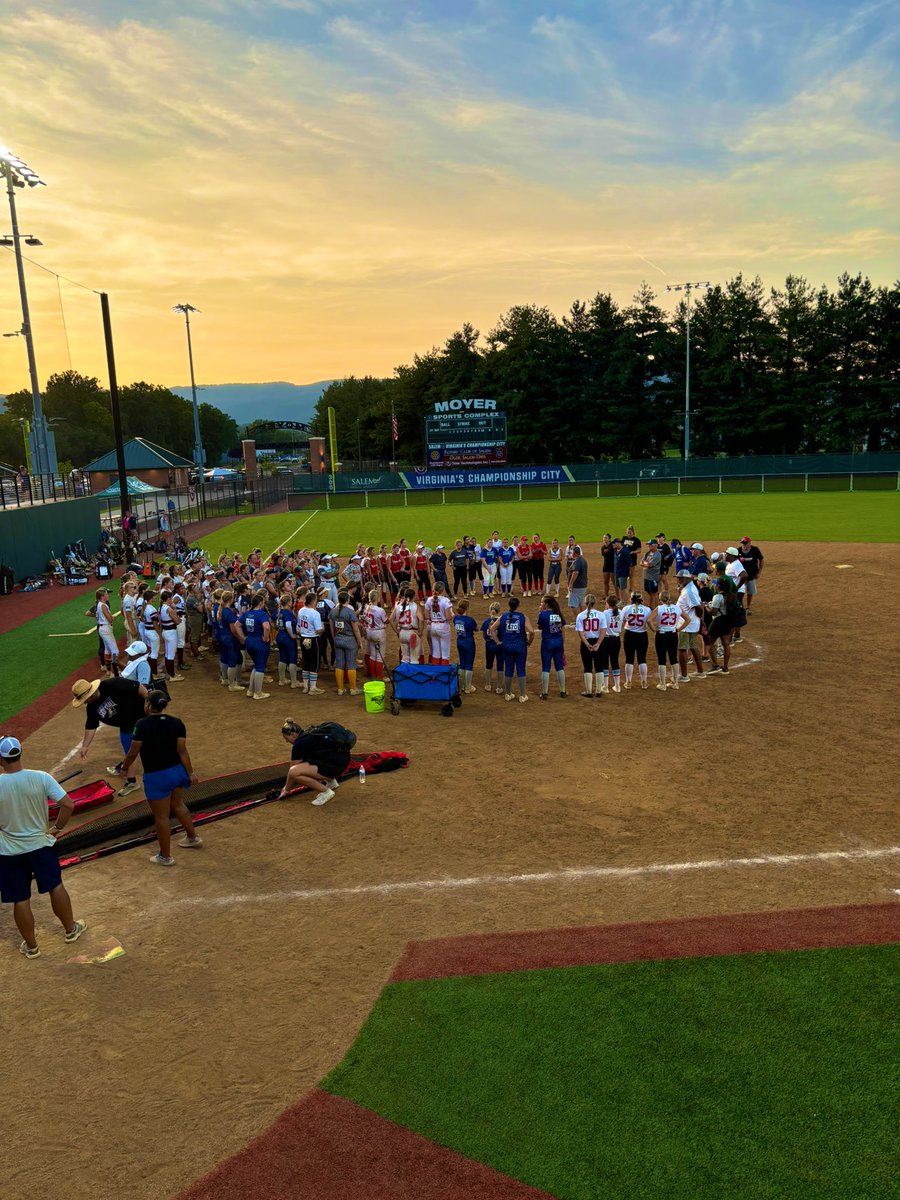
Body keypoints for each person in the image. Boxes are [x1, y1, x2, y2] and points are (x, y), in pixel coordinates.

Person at [0, 736, 87, 959]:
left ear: (1, 759)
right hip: (40, 845)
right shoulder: (41, 777)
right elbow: (68, 804)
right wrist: (56, 828)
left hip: (9, 852)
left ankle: (32, 947)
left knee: (20, 899)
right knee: (55, 886)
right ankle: (70, 930)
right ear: (20, 753)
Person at [121, 690, 201, 867]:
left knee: (162, 817)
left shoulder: (141, 725)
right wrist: (190, 773)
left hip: (157, 777)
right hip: (177, 772)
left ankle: (165, 856)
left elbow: (133, 752)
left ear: (148, 705)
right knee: (178, 804)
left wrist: (125, 767)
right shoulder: (177, 723)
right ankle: (193, 837)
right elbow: (182, 751)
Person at [74, 676, 148, 797]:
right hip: (126, 724)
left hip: (142, 714)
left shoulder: (112, 684)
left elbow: (138, 687)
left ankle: (131, 781)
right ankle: (128, 772)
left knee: (143, 747)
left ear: (90, 695)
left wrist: (149, 705)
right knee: (130, 748)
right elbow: (91, 725)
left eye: (84, 700)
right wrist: (85, 746)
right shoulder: (92, 707)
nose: (85, 703)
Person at [279, 719, 351, 807]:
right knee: (307, 764)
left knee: (295, 772)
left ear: (293, 734)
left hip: (335, 766)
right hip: (343, 761)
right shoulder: (310, 733)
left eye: (286, 738)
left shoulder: (299, 744)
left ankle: (326, 792)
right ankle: (332, 782)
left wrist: (286, 790)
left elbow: (292, 771)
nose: (286, 741)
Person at [489, 595, 533, 703]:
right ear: (518, 605)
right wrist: (529, 642)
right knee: (521, 669)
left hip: (507, 646)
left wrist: (497, 641)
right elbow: (531, 631)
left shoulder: (503, 616)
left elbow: (492, 628)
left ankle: (508, 694)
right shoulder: (523, 616)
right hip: (520, 646)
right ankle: (522, 695)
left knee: (508, 669)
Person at [237, 593, 273, 700]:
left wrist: (243, 638)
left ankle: (250, 690)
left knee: (256, 666)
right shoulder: (262, 614)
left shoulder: (247, 613)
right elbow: (266, 627)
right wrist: (266, 638)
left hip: (250, 641)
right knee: (260, 667)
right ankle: (258, 692)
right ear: (261, 603)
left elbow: (237, 625)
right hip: (260, 642)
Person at [649, 588, 684, 690]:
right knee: (674, 658)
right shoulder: (677, 608)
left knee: (662, 659)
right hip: (673, 634)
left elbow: (649, 620)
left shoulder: (659, 608)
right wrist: (679, 629)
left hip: (662, 635)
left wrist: (654, 630)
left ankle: (662, 684)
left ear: (660, 599)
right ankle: (675, 683)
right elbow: (688, 619)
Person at [330, 589, 364, 695]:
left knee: (339, 664)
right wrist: (360, 641)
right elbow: (356, 629)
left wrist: (335, 638)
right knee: (351, 664)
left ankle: (340, 689)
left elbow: (332, 629)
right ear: (347, 600)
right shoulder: (350, 612)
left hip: (338, 640)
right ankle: (353, 689)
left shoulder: (332, 612)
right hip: (350, 641)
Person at [676, 569, 706, 683]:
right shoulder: (691, 587)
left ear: (688, 579)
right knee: (693, 646)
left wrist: (699, 618)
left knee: (682, 649)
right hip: (692, 623)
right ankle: (700, 671)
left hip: (686, 625)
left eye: (681, 578)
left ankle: (684, 675)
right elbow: (700, 605)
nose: (679, 580)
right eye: (678, 578)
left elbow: (698, 607)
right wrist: (700, 620)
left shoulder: (689, 591)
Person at [705, 579, 739, 674]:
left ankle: (715, 665)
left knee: (710, 642)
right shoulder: (732, 596)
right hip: (728, 621)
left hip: (718, 621)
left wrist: (707, 607)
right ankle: (725, 667)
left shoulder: (717, 597)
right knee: (726, 644)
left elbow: (713, 612)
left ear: (718, 587)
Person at [537, 594, 567, 699]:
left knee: (546, 667)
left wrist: (540, 613)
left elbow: (539, 627)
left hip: (547, 643)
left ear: (546, 604)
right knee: (559, 667)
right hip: (558, 642)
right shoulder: (559, 614)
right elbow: (563, 630)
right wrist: (562, 645)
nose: (540, 604)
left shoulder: (543, 614)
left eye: (542, 602)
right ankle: (563, 691)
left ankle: (545, 692)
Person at [575, 593, 605, 697]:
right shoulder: (601, 615)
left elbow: (580, 632)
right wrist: (598, 644)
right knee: (599, 666)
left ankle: (588, 691)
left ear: (585, 602)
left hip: (586, 643)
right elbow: (603, 631)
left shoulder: (580, 615)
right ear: (594, 603)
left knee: (587, 667)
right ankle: (598, 691)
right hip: (598, 643)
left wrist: (587, 644)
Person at [621, 591, 653, 690]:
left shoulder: (626, 609)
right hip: (642, 635)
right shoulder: (647, 609)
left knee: (629, 659)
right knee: (642, 659)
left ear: (631, 599)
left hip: (629, 635)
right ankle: (644, 682)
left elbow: (621, 621)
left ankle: (628, 682)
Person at [297, 591, 325, 693]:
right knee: (315, 662)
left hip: (303, 638)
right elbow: (318, 630)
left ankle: (305, 687)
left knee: (306, 662)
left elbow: (299, 627)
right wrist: (323, 628)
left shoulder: (301, 610)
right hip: (313, 639)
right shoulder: (315, 613)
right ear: (313, 601)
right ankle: (312, 688)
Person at [390, 585, 423, 664]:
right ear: (413, 597)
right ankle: (413, 676)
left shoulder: (398, 606)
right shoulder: (415, 606)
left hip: (402, 633)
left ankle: (405, 675)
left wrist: (397, 631)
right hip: (412, 634)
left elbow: (390, 619)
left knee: (404, 658)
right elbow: (421, 619)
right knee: (414, 658)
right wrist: (420, 632)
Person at [453, 598, 479, 694]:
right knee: (469, 665)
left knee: (462, 663)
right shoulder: (469, 620)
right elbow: (476, 629)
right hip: (468, 642)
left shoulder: (456, 618)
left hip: (459, 641)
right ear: (466, 608)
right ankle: (468, 687)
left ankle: (463, 685)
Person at [424, 581, 454, 665]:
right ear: (443, 589)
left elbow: (426, 616)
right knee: (445, 654)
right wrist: (452, 616)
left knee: (436, 653)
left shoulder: (429, 599)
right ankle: (443, 674)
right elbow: (448, 617)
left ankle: (435, 675)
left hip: (433, 626)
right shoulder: (446, 600)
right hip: (443, 626)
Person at [158, 589, 185, 682]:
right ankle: (172, 676)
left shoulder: (161, 607)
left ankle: (170, 674)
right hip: (171, 633)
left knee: (168, 654)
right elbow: (177, 621)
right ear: (168, 598)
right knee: (170, 655)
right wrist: (175, 610)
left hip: (165, 631)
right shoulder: (169, 609)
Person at [724, 547, 749, 642]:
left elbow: (744, 575)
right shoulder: (732, 563)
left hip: (736, 593)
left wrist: (736, 588)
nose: (726, 555)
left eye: (727, 554)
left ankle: (731, 638)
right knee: (736, 613)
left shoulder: (736, 565)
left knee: (733, 614)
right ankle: (737, 635)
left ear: (731, 555)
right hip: (735, 592)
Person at [599, 593, 623, 693]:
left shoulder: (604, 613)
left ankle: (605, 686)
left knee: (605, 662)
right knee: (615, 661)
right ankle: (617, 686)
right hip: (616, 639)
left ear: (607, 603)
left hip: (606, 640)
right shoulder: (621, 612)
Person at [362, 588, 388, 680]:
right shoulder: (380, 610)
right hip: (379, 633)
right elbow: (386, 621)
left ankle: (373, 676)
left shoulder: (367, 607)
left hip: (369, 632)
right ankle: (379, 677)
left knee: (373, 655)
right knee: (380, 657)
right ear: (377, 598)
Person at [275, 592, 299, 689]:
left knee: (282, 658)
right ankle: (294, 682)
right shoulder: (288, 613)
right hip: (287, 638)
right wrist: (292, 635)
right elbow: (288, 625)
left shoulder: (280, 612)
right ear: (289, 603)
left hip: (280, 636)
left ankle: (282, 680)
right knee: (292, 659)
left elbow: (277, 624)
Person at [738, 535, 764, 614]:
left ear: (750, 543)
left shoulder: (755, 550)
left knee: (750, 592)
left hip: (752, 575)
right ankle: (739, 606)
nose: (744, 545)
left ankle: (748, 607)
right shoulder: (738, 550)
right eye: (743, 543)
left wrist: (759, 573)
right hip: (740, 576)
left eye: (745, 543)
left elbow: (761, 560)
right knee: (739, 592)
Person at [481, 600, 503, 692]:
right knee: (500, 666)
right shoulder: (500, 621)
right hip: (499, 646)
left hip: (489, 645)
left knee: (488, 665)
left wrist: (488, 640)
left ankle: (488, 685)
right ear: (499, 610)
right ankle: (499, 687)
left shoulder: (486, 621)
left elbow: (483, 635)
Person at [567, 544, 588, 611]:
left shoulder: (577, 561)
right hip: (583, 585)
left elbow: (575, 573)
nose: (571, 554)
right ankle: (582, 619)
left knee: (573, 604)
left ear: (575, 553)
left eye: (572, 552)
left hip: (577, 586)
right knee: (581, 603)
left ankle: (577, 619)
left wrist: (570, 584)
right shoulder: (583, 560)